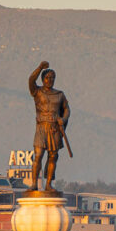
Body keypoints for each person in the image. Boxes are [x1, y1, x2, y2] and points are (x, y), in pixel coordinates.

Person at [27, 60, 71, 191]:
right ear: (43, 79)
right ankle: (34, 184)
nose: (50, 80)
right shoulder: (37, 92)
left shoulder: (59, 94)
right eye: (47, 77)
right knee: (38, 154)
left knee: (53, 156)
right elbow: (30, 79)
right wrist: (40, 67)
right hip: (41, 127)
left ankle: (48, 185)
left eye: (52, 78)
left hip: (54, 128)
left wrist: (63, 119)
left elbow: (67, 109)